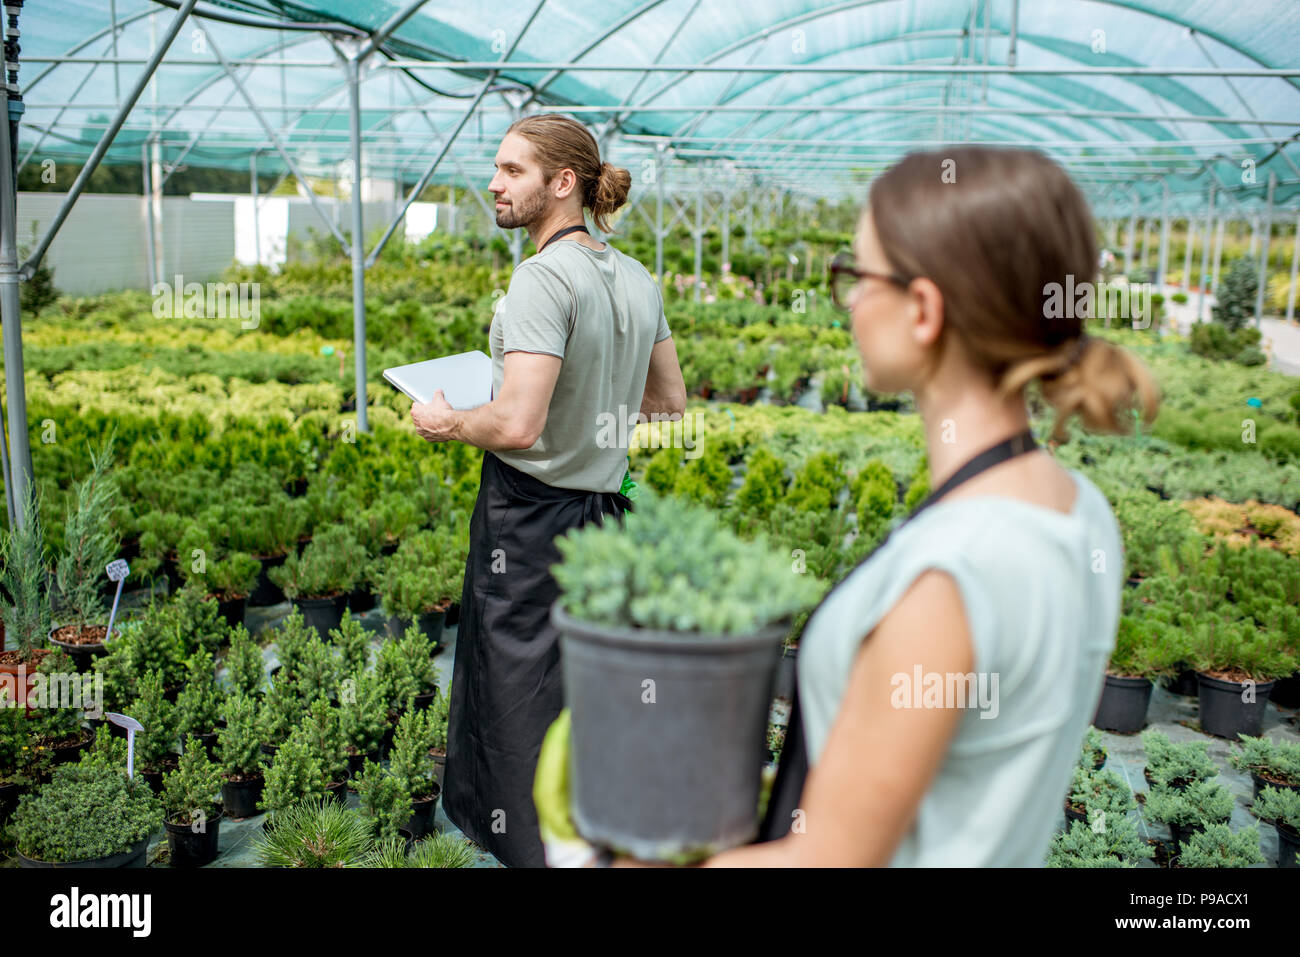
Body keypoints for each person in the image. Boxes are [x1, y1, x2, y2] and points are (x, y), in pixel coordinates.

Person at [535, 145, 1160, 867]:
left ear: (923, 309)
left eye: (857, 275)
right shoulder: (1079, 511)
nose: (851, 298)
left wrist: (610, 861)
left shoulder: (952, 578)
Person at [410, 112, 687, 868]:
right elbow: (669, 405)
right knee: (587, 681)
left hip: (529, 517)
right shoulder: (635, 277)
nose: (493, 184)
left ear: (562, 183)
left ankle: (528, 846)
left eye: (511, 171)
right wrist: (595, 412)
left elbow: (520, 424)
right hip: (604, 510)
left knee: (518, 686)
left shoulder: (542, 277)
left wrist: (447, 419)